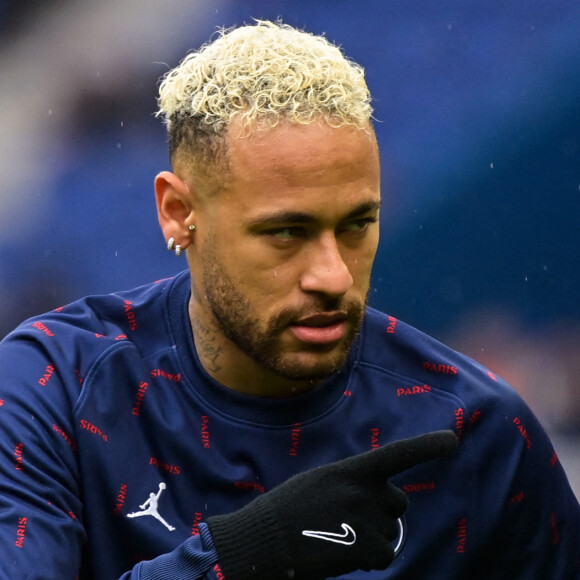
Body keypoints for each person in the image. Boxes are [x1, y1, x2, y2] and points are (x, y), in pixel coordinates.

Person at [0, 19, 578, 580]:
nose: (332, 276)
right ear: (180, 213)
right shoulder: (53, 388)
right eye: (286, 232)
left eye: (357, 225)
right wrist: (247, 555)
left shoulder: (481, 435)